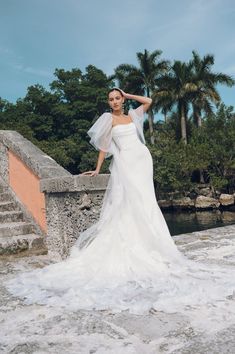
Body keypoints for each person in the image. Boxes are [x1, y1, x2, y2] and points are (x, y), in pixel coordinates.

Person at [5, 88, 235, 316]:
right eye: (111, 99)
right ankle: (134, 243)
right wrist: (97, 169)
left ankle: (151, 243)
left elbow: (149, 100)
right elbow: (104, 147)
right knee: (128, 202)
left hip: (142, 159)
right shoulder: (108, 120)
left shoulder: (132, 115)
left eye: (117, 98)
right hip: (125, 164)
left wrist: (129, 95)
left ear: (122, 100)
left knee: (146, 201)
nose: (114, 102)